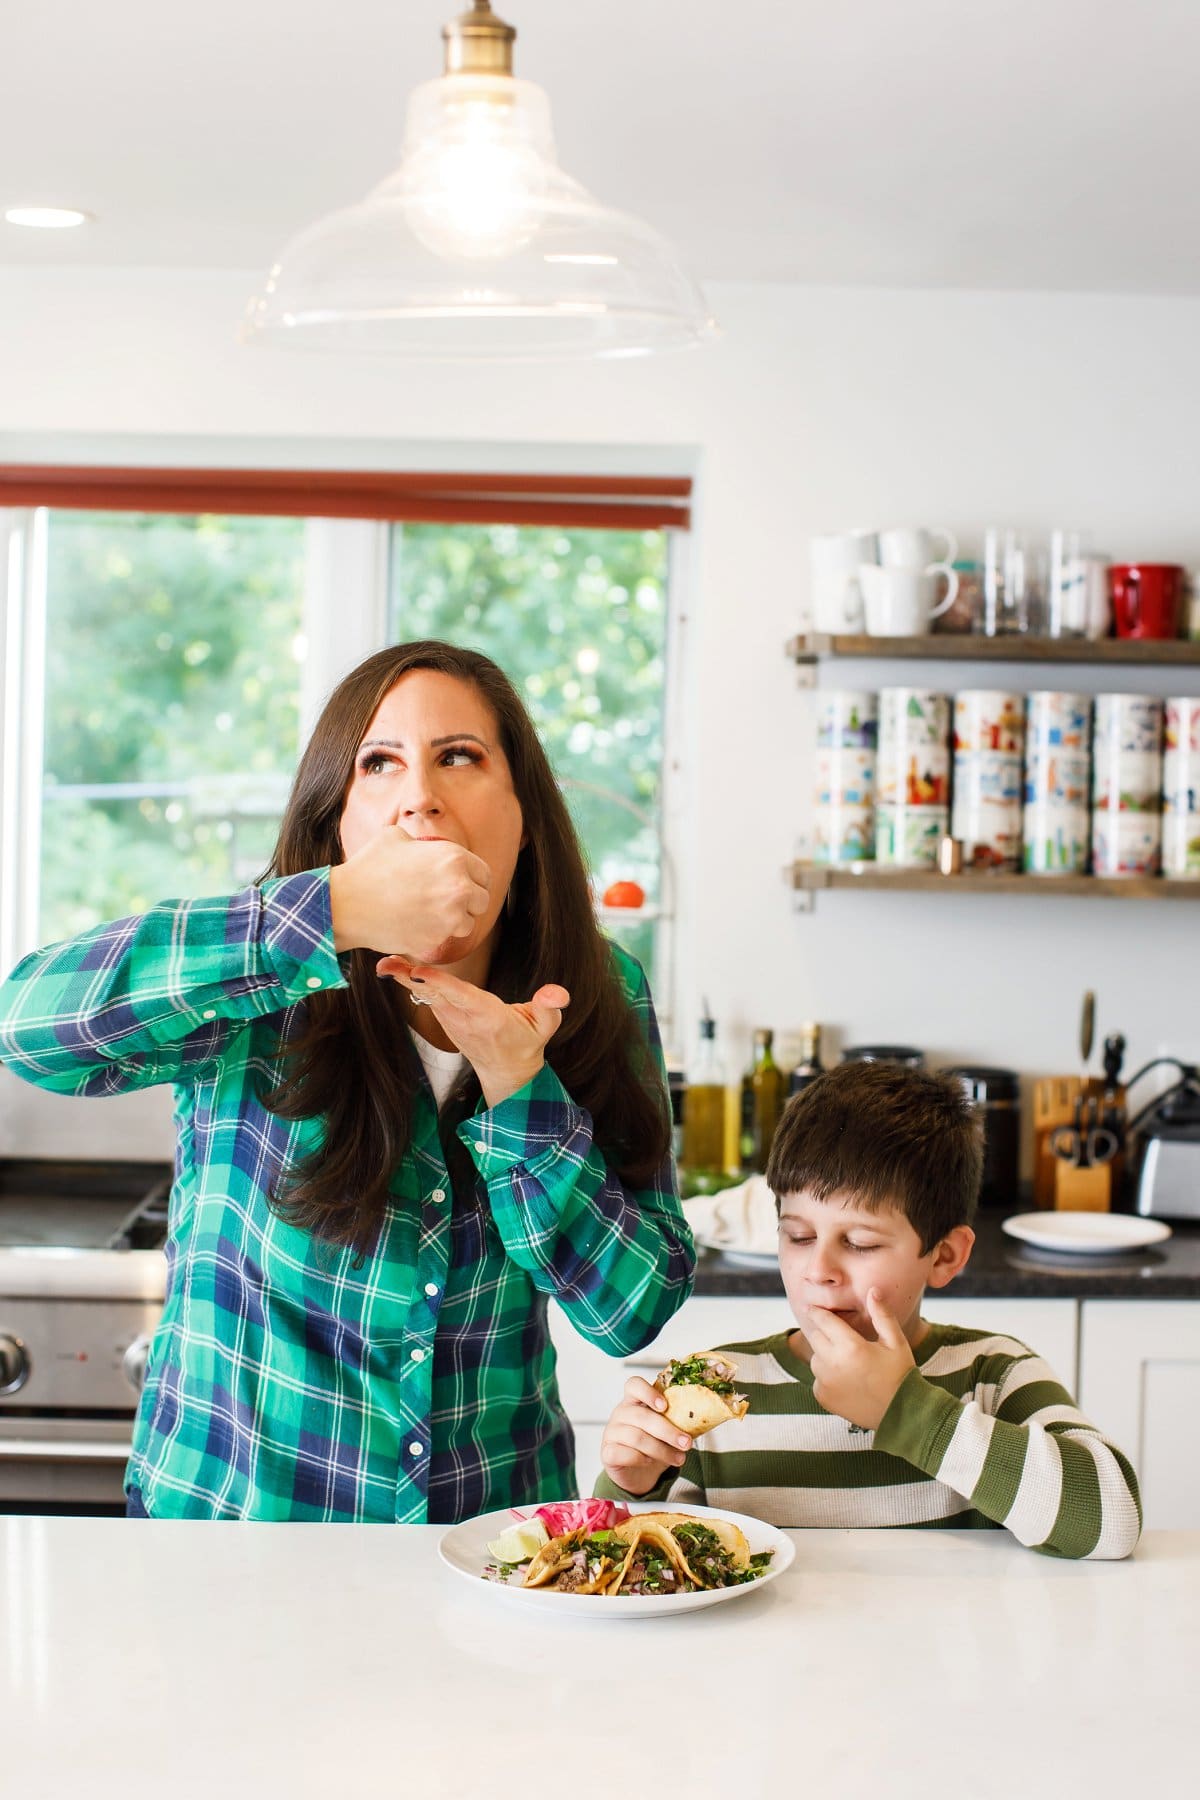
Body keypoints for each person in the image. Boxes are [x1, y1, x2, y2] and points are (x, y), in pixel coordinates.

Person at [0, 640, 694, 1522]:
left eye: (460, 757)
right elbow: (24, 1025)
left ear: (524, 813)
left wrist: (521, 1087)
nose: (420, 798)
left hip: (490, 1553)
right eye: (380, 764)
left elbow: (631, 1311)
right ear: (340, 823)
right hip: (234, 1550)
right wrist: (329, 913)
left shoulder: (602, 989)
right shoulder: (255, 978)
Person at [597, 1059, 1141, 1559]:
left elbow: (1113, 1520)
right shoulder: (715, 1393)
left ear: (944, 1256)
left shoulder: (992, 1375)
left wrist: (908, 1412)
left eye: (859, 1242)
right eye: (798, 1236)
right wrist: (631, 1480)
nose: (819, 1270)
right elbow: (627, 1564)